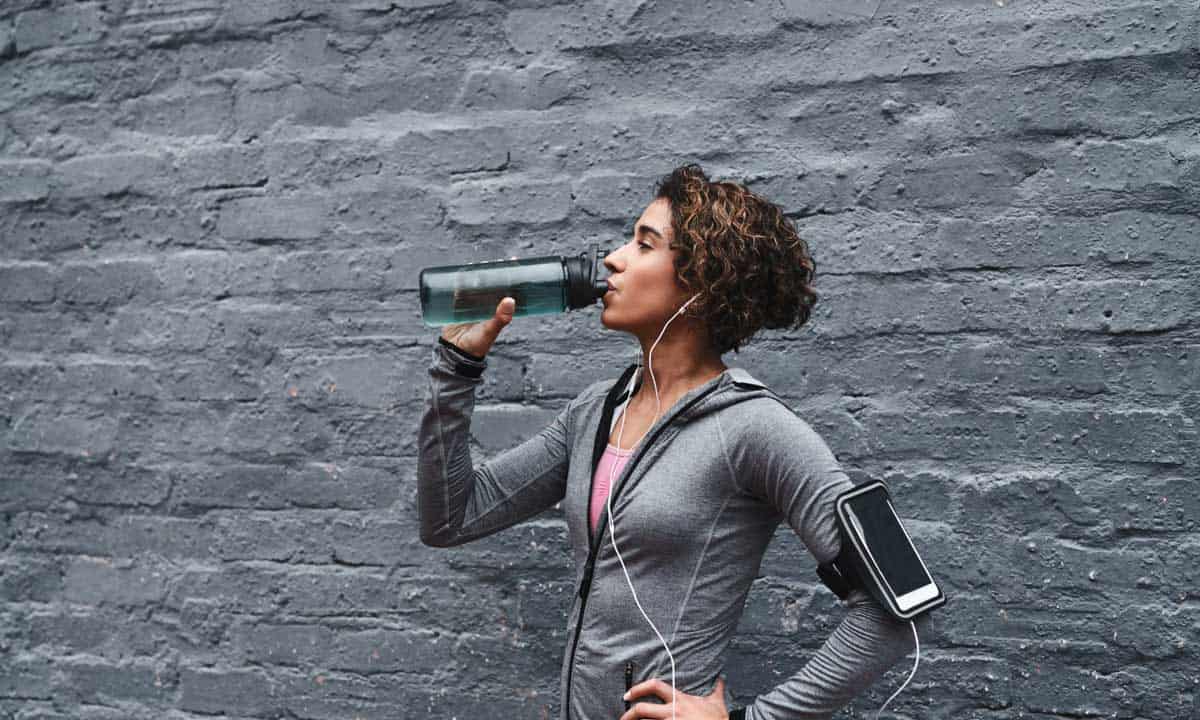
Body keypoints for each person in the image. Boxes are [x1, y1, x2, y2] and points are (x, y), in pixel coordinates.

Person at [417, 164, 931, 720]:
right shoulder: (596, 410)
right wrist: (457, 368)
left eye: (644, 244)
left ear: (702, 282)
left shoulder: (754, 428)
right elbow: (453, 518)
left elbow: (899, 611)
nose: (613, 258)